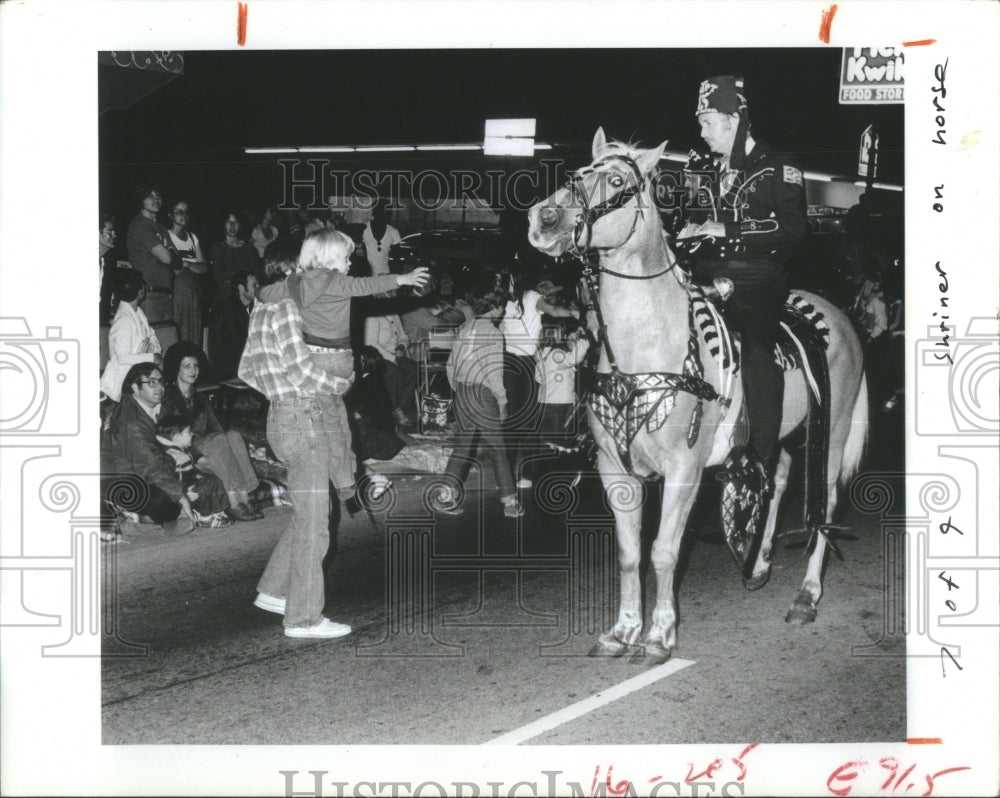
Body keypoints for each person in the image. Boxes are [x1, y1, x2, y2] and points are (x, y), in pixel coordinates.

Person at [676, 75, 807, 485]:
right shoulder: (702, 168)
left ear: (733, 120)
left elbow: (794, 228)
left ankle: (760, 457)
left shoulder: (779, 164)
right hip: (705, 272)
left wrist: (726, 230)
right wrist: (687, 231)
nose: (701, 132)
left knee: (755, 343)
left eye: (708, 122)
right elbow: (696, 220)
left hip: (757, 275)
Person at [238, 240, 357, 638]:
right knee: (315, 523)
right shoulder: (288, 307)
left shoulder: (260, 308)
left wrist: (279, 393)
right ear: (293, 272)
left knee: (306, 513)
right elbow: (302, 369)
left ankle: (274, 590)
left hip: (280, 416)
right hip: (303, 416)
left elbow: (246, 370)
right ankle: (303, 618)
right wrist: (339, 383)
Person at [258, 229, 429, 387]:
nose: (350, 263)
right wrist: (402, 279)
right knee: (335, 403)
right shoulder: (337, 281)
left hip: (311, 357)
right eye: (346, 258)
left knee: (324, 403)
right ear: (327, 259)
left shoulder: (296, 282)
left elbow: (266, 294)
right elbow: (366, 285)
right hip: (339, 358)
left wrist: (257, 291)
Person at [436, 282, 523, 518]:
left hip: (463, 391)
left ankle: (444, 496)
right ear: (494, 307)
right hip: (483, 394)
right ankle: (510, 502)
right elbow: (493, 371)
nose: (503, 310)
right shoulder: (494, 334)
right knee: (497, 448)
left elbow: (450, 364)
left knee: (462, 447)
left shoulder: (466, 328)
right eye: (502, 306)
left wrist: (458, 388)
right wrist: (502, 399)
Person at [160, 341, 263, 522]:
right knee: (217, 441)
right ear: (176, 369)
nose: (193, 370)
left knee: (233, 435)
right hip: (186, 453)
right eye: (187, 366)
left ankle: (248, 492)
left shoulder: (201, 399)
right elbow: (165, 437)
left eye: (196, 366)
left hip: (212, 447)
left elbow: (217, 429)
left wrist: (228, 448)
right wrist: (196, 456)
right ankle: (235, 502)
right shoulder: (168, 400)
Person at [500, 273, 578, 488]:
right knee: (528, 420)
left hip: (508, 361)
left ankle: (506, 477)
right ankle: (527, 475)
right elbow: (553, 311)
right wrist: (575, 313)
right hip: (525, 363)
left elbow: (501, 330)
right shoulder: (532, 296)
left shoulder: (508, 302)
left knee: (513, 420)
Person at [102, 362, 197, 536]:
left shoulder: (154, 406)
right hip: (118, 479)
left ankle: (138, 517)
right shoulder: (130, 422)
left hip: (142, 470)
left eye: (161, 382)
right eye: (152, 382)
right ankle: (122, 513)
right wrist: (180, 497)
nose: (159, 387)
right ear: (135, 388)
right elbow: (150, 465)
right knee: (165, 502)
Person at [154, 414, 233, 526]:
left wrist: (200, 477)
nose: (192, 434)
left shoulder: (183, 452)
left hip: (189, 489)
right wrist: (185, 493)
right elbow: (170, 481)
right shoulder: (171, 456)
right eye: (189, 432)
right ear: (177, 438)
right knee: (208, 486)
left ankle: (217, 512)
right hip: (181, 496)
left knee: (213, 480)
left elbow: (189, 473)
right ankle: (204, 517)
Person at [100, 270, 163, 402]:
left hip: (140, 371)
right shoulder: (123, 320)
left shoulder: (138, 312)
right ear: (140, 292)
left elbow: (151, 335)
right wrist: (151, 357)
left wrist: (155, 350)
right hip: (125, 377)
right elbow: (123, 358)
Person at [125, 186, 180, 324]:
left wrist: (166, 255)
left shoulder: (161, 228)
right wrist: (167, 255)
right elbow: (167, 258)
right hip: (148, 293)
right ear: (141, 200)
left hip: (166, 291)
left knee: (165, 338)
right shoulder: (140, 225)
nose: (156, 199)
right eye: (151, 196)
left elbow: (177, 263)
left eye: (158, 196)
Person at [535, 314, 590, 449]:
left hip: (544, 403)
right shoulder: (556, 354)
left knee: (545, 441)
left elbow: (538, 378)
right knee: (557, 443)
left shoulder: (542, 354)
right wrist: (585, 339)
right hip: (558, 405)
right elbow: (573, 358)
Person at [364, 307, 420, 426]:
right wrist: (392, 358)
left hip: (393, 355)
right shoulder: (373, 316)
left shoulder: (394, 314)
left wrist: (401, 346)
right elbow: (371, 344)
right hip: (376, 358)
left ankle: (401, 407)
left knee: (413, 367)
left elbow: (404, 336)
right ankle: (395, 409)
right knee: (393, 371)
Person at [166, 199, 208, 346]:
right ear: (170, 215)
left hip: (195, 291)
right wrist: (191, 265)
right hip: (178, 290)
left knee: (195, 331)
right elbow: (175, 268)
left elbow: (204, 268)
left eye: (185, 212)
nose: (183, 215)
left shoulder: (192, 237)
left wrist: (186, 263)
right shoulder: (166, 236)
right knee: (179, 329)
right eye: (179, 211)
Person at [208, 270, 258, 380]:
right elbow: (235, 344)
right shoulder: (227, 310)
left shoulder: (247, 306)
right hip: (229, 368)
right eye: (254, 285)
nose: (258, 289)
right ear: (241, 288)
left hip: (241, 362)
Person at [210, 210, 260, 309]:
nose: (232, 225)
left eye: (236, 222)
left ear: (240, 225)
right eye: (229, 222)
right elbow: (218, 275)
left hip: (248, 288)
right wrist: (241, 274)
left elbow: (256, 272)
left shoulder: (249, 248)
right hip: (228, 290)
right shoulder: (218, 247)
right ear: (223, 224)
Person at [361, 202, 401, 276]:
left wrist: (393, 278)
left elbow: (396, 259)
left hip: (386, 276)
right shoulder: (363, 229)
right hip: (367, 277)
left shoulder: (394, 232)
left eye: (389, 212)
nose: (390, 215)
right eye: (385, 212)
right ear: (374, 212)